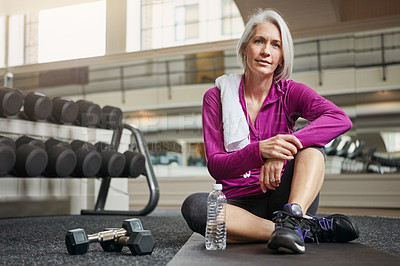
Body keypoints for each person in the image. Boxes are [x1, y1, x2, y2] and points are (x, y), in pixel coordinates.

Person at [181, 8, 359, 254]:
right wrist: (260, 150)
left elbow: (339, 119)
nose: (266, 51)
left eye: (276, 45)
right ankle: (298, 230)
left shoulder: (290, 92)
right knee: (196, 207)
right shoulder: (216, 97)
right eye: (259, 41)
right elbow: (216, 165)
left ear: (282, 57)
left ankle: (292, 219)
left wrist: (281, 150)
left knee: (313, 149)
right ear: (245, 49)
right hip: (239, 204)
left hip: (284, 198)